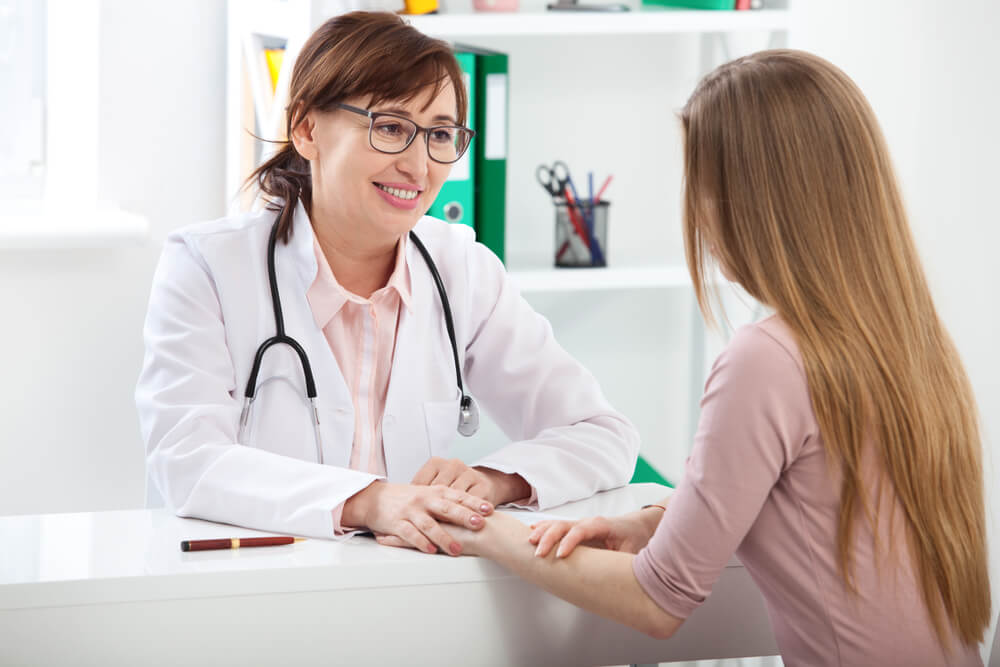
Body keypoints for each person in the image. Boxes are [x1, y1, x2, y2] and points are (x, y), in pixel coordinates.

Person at [453, 50, 991, 665]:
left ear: (752, 200)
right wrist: (654, 523)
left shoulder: (769, 358)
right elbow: (818, 507)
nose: (698, 216)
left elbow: (658, 603)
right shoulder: (910, 339)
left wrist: (483, 529)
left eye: (701, 186)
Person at [134, 11, 638, 556]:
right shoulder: (208, 266)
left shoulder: (460, 268)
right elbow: (187, 461)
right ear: (306, 128)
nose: (419, 167)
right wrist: (368, 501)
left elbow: (602, 434)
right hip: (242, 593)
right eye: (391, 128)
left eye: (440, 135)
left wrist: (495, 480)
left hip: (404, 596)